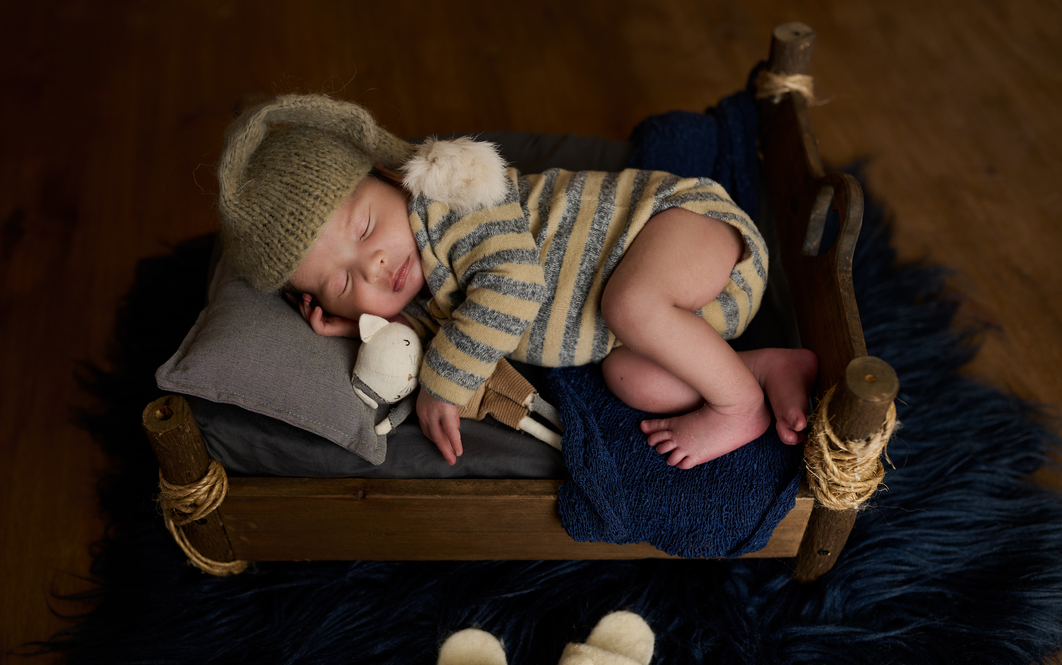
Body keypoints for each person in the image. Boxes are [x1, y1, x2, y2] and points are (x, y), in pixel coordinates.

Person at [218, 94, 816, 468]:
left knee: (632, 304)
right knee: (631, 378)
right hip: (691, 316)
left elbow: (511, 288)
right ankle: (757, 371)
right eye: (343, 283)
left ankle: (738, 407)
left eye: (366, 227)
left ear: (389, 177)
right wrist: (367, 327)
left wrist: (442, 385)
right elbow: (455, 330)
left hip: (682, 229)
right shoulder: (421, 290)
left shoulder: (452, 200)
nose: (373, 265)